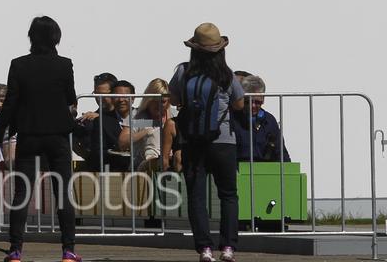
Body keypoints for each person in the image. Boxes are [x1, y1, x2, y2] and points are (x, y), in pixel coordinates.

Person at [0, 16, 79, 262]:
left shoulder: (18, 65)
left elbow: (10, 103)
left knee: (22, 194)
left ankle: (16, 249)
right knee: (63, 193)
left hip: (28, 135)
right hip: (58, 135)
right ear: (56, 38)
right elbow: (70, 97)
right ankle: (68, 250)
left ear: (31, 37)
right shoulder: (64, 64)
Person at [169, 23, 246, 262]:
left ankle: (204, 248)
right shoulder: (226, 74)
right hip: (223, 140)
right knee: (228, 195)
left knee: (197, 196)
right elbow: (239, 104)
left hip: (193, 140)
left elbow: (173, 98)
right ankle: (228, 247)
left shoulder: (184, 71)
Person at [119, 78, 178, 173]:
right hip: (142, 167)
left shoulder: (174, 116)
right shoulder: (138, 117)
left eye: (163, 101)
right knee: (152, 134)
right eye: (155, 101)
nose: (159, 105)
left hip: (170, 163)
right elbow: (123, 142)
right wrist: (145, 132)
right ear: (148, 100)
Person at [233, 75, 290, 163]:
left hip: (266, 172)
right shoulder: (233, 118)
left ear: (263, 99)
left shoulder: (270, 120)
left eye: (257, 102)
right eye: (248, 101)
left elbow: (281, 152)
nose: (253, 106)